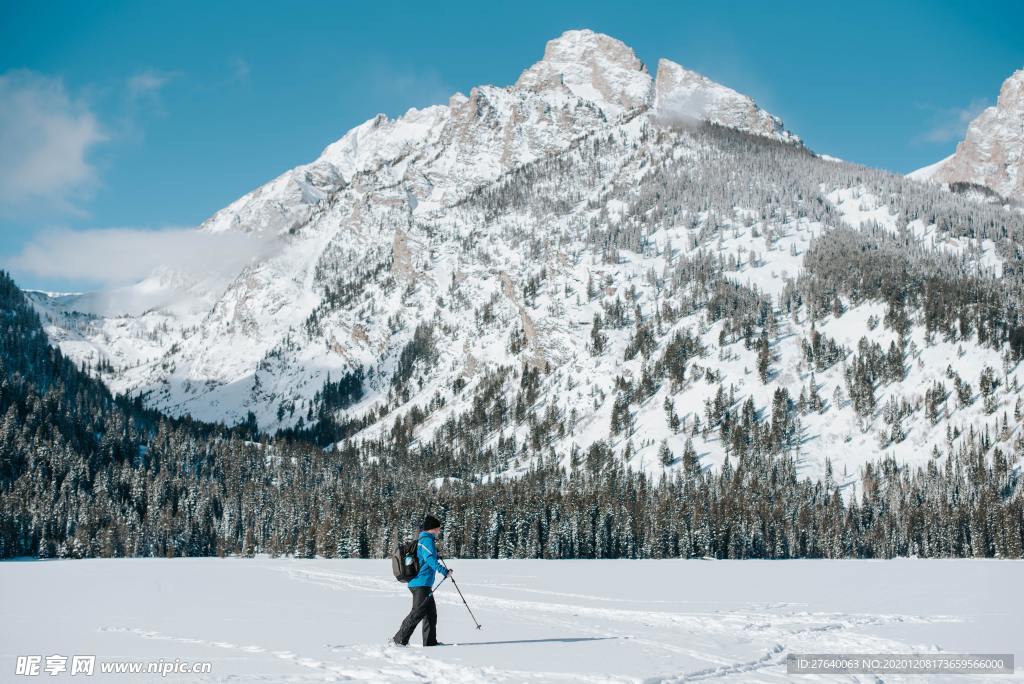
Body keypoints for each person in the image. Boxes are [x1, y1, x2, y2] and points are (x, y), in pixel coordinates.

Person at [392, 514, 450, 647]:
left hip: (422, 583)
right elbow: (430, 560)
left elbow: (426, 557)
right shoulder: (427, 541)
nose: (439, 530)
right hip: (420, 583)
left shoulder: (424, 540)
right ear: (432, 528)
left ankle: (430, 643)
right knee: (417, 613)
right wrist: (444, 571)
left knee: (430, 614)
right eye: (438, 528)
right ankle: (398, 640)